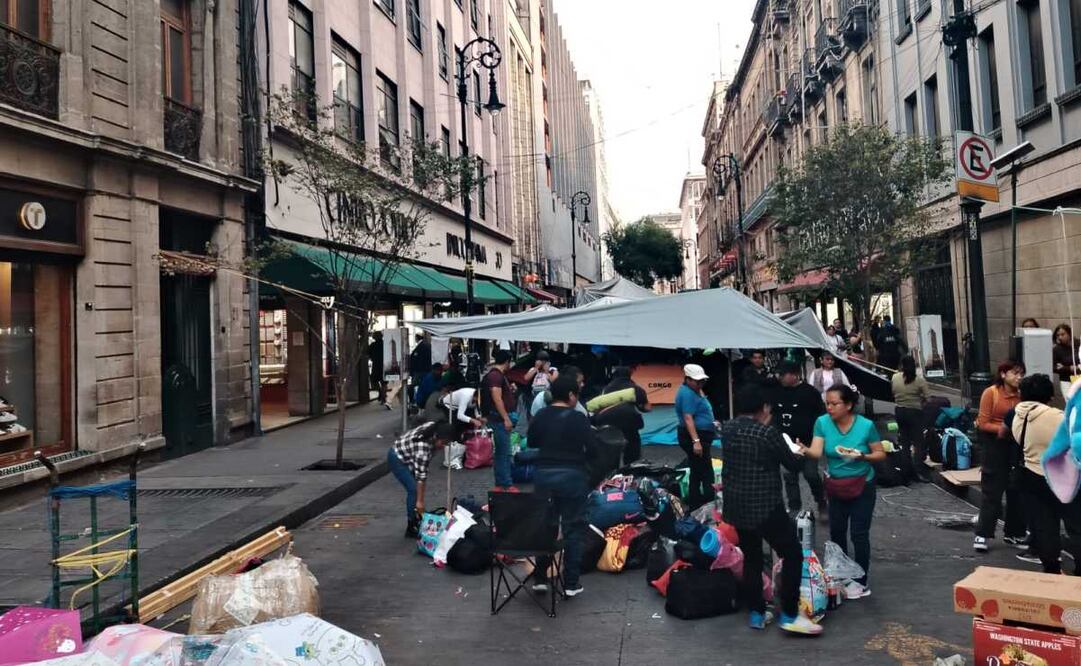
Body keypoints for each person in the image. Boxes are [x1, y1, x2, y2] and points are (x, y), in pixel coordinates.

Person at [720, 385, 823, 635]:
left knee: (752, 558)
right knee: (792, 554)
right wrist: (799, 451)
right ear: (763, 407)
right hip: (765, 506)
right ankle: (789, 613)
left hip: (736, 506)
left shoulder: (728, 430)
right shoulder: (767, 433)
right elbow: (793, 464)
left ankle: (757, 612)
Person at [804, 384, 885, 600]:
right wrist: (803, 450)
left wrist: (863, 457)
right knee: (837, 532)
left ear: (848, 405)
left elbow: (880, 453)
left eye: (834, 404)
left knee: (859, 534)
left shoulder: (866, 425)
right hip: (835, 485)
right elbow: (817, 451)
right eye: (827, 403)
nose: (829, 408)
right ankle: (842, 575)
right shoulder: (822, 423)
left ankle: (861, 580)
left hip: (862, 483)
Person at [529, 374, 594, 598]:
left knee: (545, 526)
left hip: (544, 477)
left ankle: (540, 578)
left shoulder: (540, 416)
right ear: (570, 395)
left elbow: (532, 443)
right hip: (573, 478)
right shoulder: (578, 419)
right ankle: (571, 583)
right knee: (573, 529)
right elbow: (592, 448)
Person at [1009, 374, 1080, 573]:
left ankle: (1051, 570)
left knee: (1045, 528)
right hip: (1063, 479)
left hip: (1032, 478)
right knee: (1076, 527)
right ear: (1049, 395)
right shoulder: (1056, 418)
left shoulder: (1018, 416)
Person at [974, 360, 1027, 553]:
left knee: (1016, 490)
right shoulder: (991, 393)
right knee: (992, 492)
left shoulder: (1022, 395)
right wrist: (1005, 429)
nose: (1019, 377)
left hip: (1016, 446)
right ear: (1003, 374)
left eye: (1021, 373)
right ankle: (983, 533)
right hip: (995, 445)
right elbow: (983, 422)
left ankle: (1013, 532)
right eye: (1015, 373)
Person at [772, 362, 827, 516]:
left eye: (784, 375)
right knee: (789, 477)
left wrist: (819, 438)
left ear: (794, 375)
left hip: (808, 442)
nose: (780, 378)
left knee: (811, 474)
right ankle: (794, 509)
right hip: (786, 444)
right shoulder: (777, 392)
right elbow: (773, 414)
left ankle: (821, 502)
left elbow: (821, 416)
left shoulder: (810, 392)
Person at [388, 421, 457, 537]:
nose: (443, 446)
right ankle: (412, 524)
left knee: (416, 491)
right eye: (443, 443)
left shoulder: (433, 427)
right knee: (413, 490)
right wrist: (420, 502)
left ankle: (417, 517)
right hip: (398, 458)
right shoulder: (422, 448)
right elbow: (421, 477)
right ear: (436, 437)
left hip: (410, 454)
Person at [675, 364, 718, 510]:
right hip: (694, 436)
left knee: (697, 470)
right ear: (687, 379)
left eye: (702, 381)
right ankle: (708, 502)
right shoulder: (687, 393)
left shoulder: (696, 390)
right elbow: (688, 418)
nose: (700, 383)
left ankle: (697, 503)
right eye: (697, 381)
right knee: (705, 471)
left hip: (703, 433)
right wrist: (696, 441)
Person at [593, 366, 652, 465]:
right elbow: (647, 408)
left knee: (611, 453)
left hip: (609, 425)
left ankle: (612, 475)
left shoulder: (607, 388)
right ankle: (629, 472)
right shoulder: (635, 388)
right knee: (632, 454)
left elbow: (600, 406)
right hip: (630, 424)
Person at [481, 349, 519, 490]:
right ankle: (506, 484)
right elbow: (496, 398)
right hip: (499, 420)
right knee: (504, 453)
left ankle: (501, 483)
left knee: (502, 453)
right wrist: (506, 418)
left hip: (498, 419)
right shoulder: (496, 376)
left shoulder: (498, 376)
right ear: (507, 362)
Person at [891, 356, 931, 483]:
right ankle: (918, 471)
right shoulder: (919, 380)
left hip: (899, 411)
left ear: (901, 366)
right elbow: (928, 398)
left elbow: (893, 392)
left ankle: (906, 472)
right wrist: (920, 402)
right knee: (918, 443)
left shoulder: (895, 377)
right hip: (914, 412)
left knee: (905, 442)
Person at [1053, 324, 1079, 398]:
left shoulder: (1078, 344)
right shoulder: (1057, 349)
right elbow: (1054, 367)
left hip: (1079, 377)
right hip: (1066, 380)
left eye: (1062, 334)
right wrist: (1068, 368)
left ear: (1069, 334)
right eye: (1058, 335)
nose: (1060, 337)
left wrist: (1077, 367)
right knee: (1070, 401)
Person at [369, 332, 386, 405]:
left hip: (376, 366)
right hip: (385, 365)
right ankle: (383, 396)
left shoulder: (373, 345)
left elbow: (367, 353)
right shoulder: (385, 344)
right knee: (384, 383)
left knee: (374, 380)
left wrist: (372, 358)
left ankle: (380, 393)